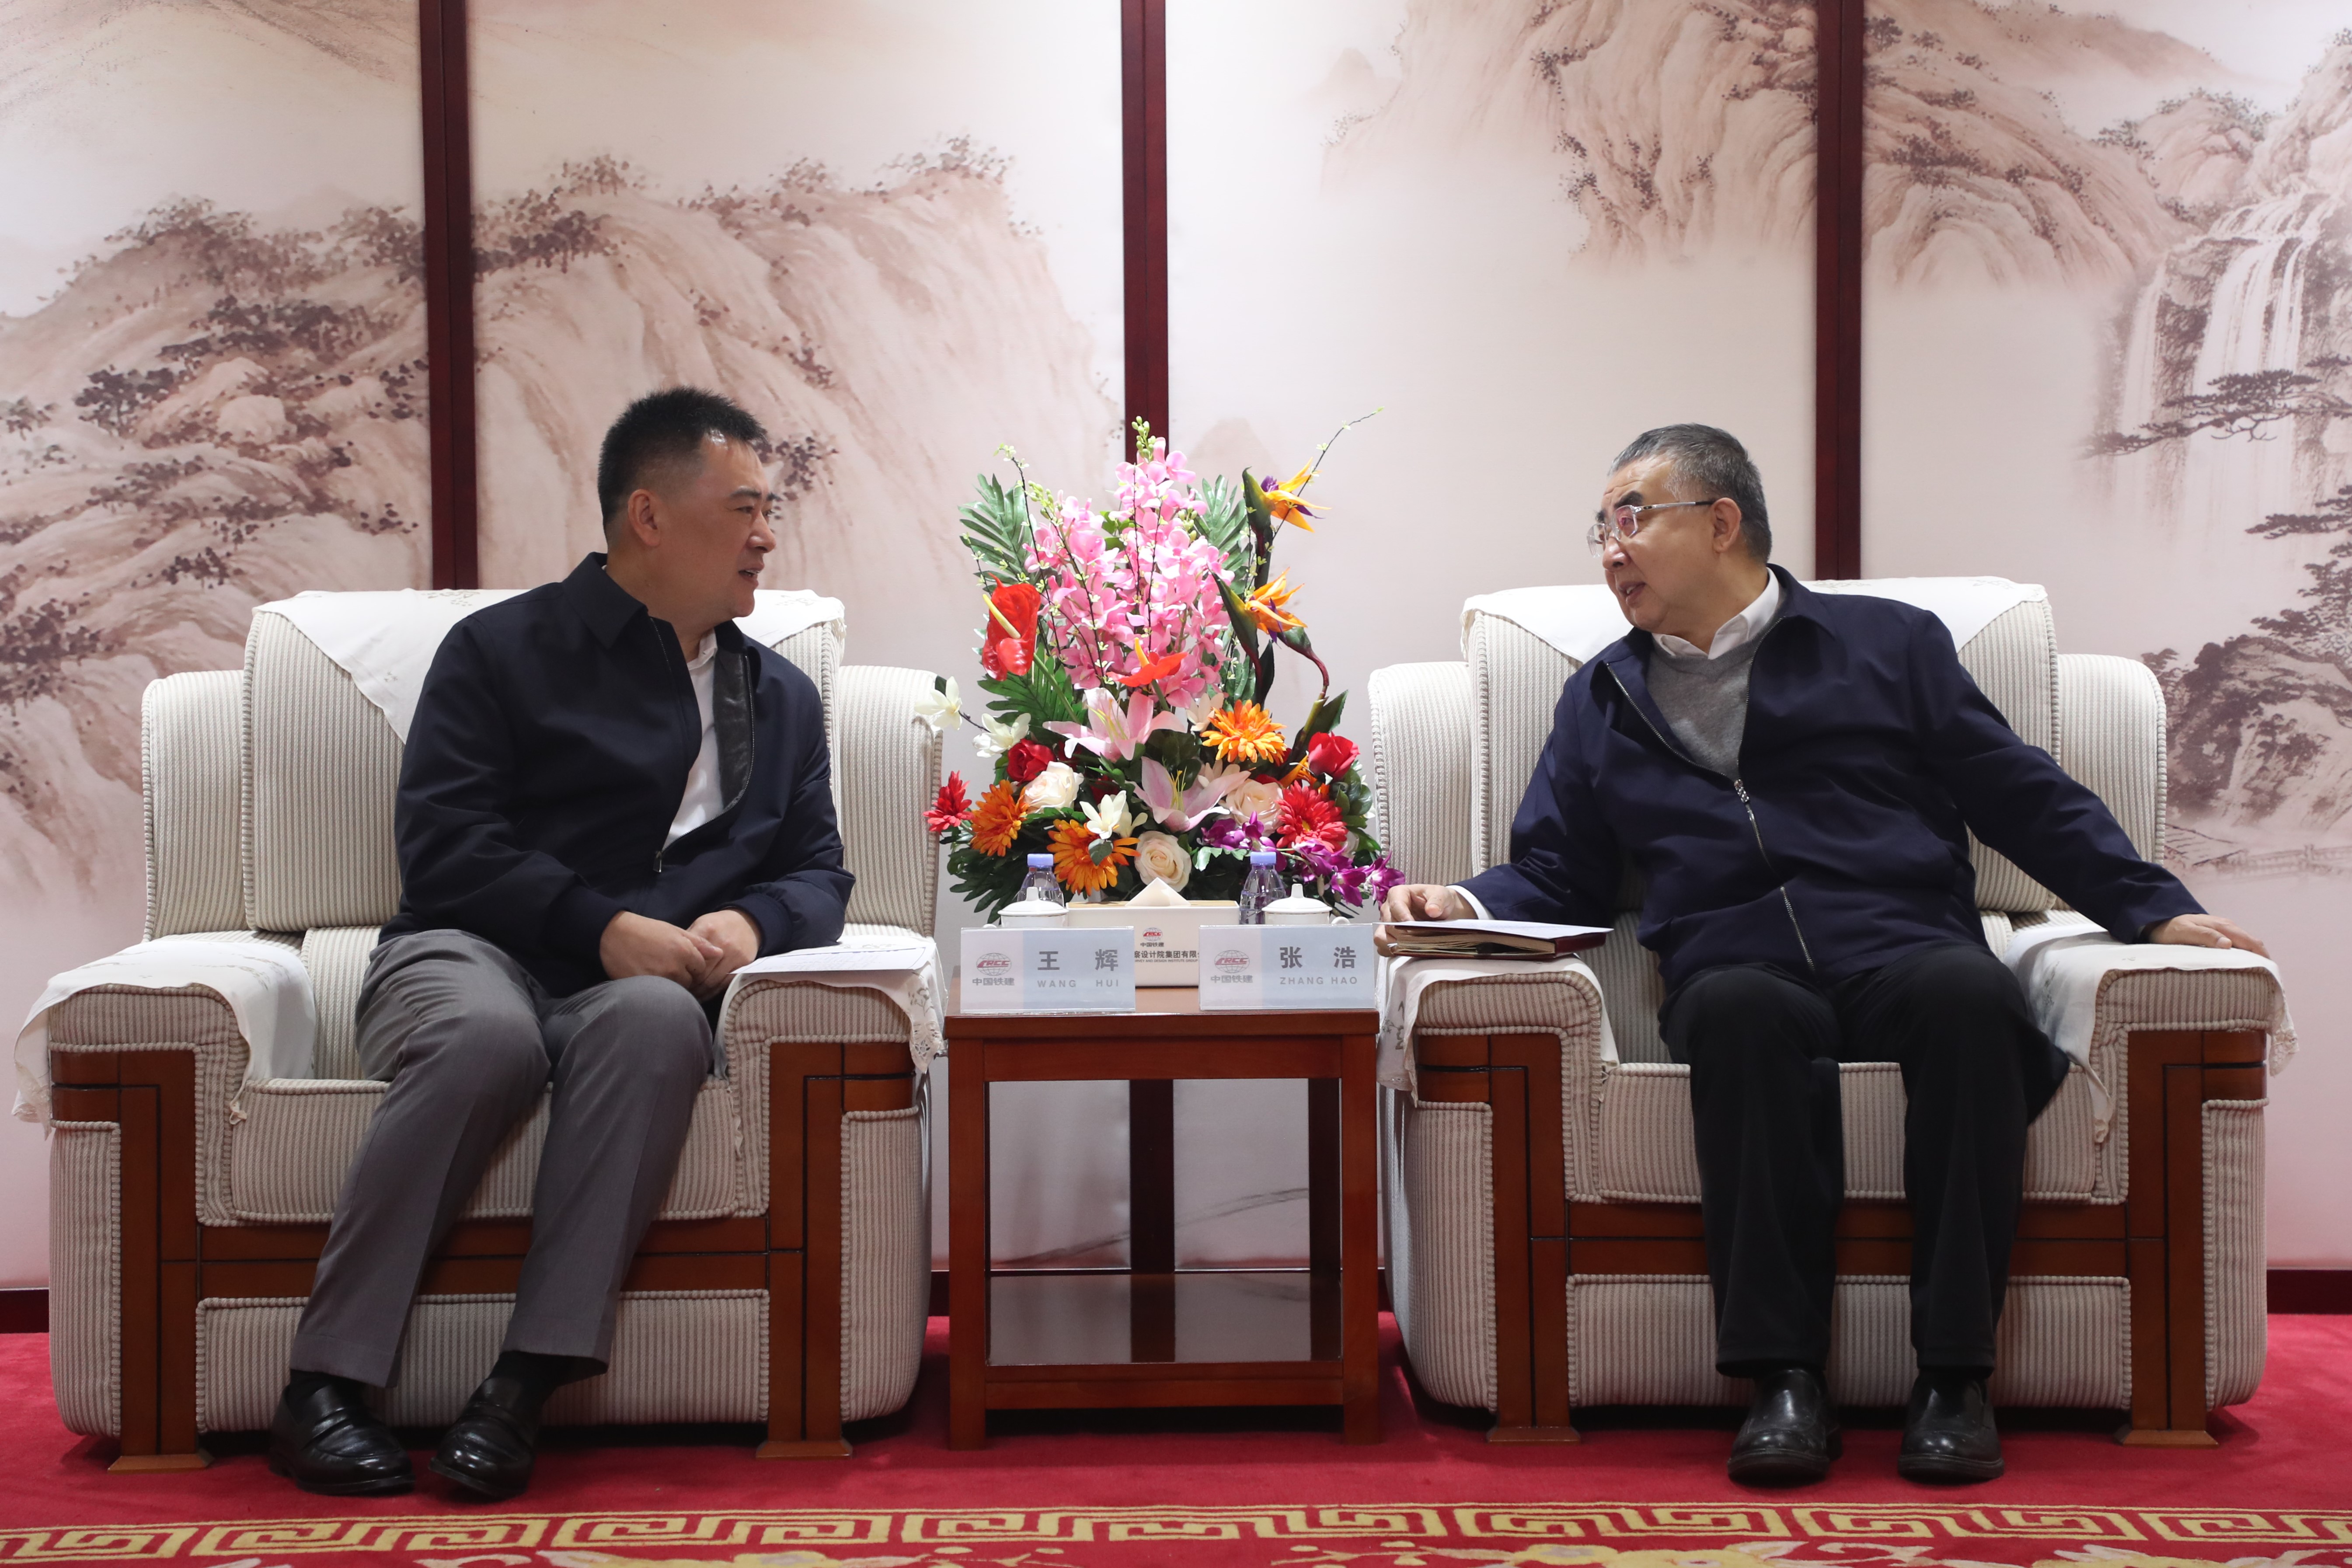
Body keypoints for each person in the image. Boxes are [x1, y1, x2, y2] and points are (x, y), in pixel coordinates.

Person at [1381, 424, 2262, 1486]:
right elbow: (1560, 870)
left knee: (1971, 999)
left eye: (1631, 517)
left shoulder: (1887, 644)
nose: (1609, 549)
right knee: (1739, 1017)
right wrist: (1461, 900)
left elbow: (2012, 789)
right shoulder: (1601, 697)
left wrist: (2149, 908)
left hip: (1901, 936)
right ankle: (1782, 1379)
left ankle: (1954, 1376)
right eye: (1599, 529)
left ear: (1720, 522)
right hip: (1733, 956)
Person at [268, 388, 852, 1500]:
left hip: (636, 991)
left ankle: (521, 1388)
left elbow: (819, 872)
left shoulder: (778, 697)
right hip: (466, 948)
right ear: (649, 515)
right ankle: (322, 1387)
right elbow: (445, 845)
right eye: (744, 508)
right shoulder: (501, 649)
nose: (766, 536)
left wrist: (752, 922)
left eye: (768, 510)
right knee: (488, 1038)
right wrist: (599, 923)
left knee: (656, 1019)